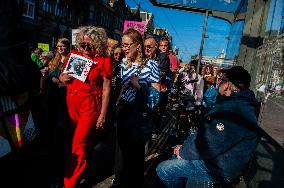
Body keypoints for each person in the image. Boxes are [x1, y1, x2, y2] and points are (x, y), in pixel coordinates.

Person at [156, 66, 261, 188]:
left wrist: (183, 151)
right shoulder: (236, 104)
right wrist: (184, 148)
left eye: (221, 80)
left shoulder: (234, 110)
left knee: (164, 169)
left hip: (218, 169)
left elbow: (210, 144)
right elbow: (205, 134)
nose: (219, 83)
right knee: (174, 157)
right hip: (216, 161)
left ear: (227, 85)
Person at [59, 26, 112, 188]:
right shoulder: (74, 55)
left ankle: (69, 183)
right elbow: (62, 76)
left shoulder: (104, 59)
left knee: (78, 144)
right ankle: (87, 171)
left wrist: (103, 114)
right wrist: (63, 77)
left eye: (89, 46)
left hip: (90, 106)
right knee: (84, 143)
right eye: (82, 45)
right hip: (71, 103)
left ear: (97, 45)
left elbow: (106, 89)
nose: (85, 49)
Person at [115, 28, 160, 188]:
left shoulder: (151, 64)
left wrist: (139, 86)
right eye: (123, 45)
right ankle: (119, 181)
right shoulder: (123, 63)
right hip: (123, 109)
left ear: (138, 45)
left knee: (135, 152)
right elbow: (122, 86)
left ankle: (133, 183)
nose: (124, 48)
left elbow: (156, 96)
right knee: (120, 150)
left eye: (127, 45)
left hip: (139, 112)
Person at [144, 35, 171, 137]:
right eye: (162, 45)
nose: (146, 49)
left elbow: (160, 75)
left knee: (157, 110)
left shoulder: (163, 57)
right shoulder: (146, 55)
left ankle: (155, 129)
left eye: (149, 46)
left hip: (160, 87)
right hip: (148, 86)